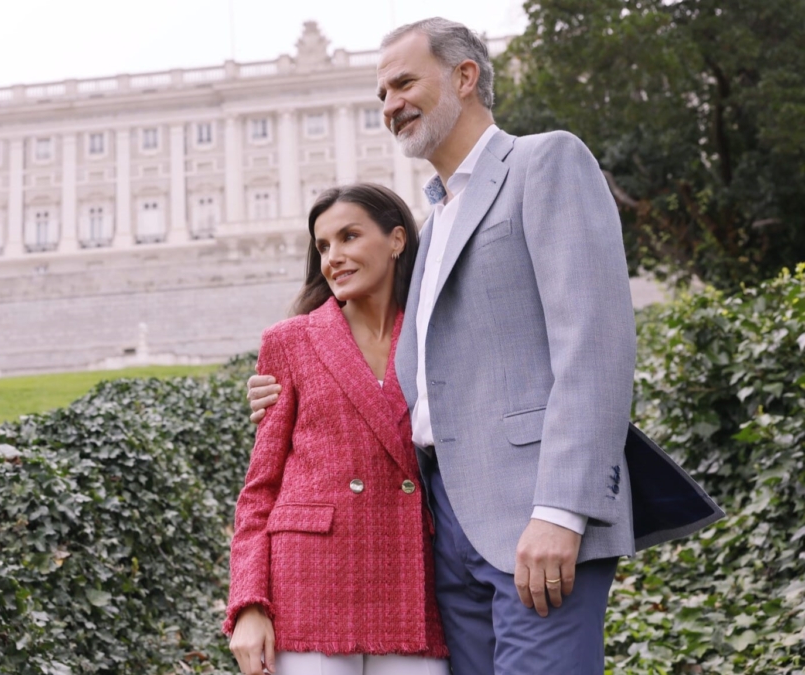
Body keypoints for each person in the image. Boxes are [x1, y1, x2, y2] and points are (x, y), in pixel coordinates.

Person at [246, 17, 723, 674]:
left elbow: (594, 348)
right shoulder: (434, 220)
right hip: (445, 526)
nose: (390, 106)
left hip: (536, 511)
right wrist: (291, 394)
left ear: (465, 77)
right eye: (381, 93)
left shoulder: (544, 161)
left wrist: (561, 508)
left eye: (404, 83)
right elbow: (427, 370)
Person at [226, 183, 449, 675]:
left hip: (411, 576)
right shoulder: (289, 342)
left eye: (349, 237)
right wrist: (247, 604)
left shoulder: (437, 332)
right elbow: (259, 490)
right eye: (323, 246)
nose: (334, 257)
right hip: (308, 584)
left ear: (396, 240)